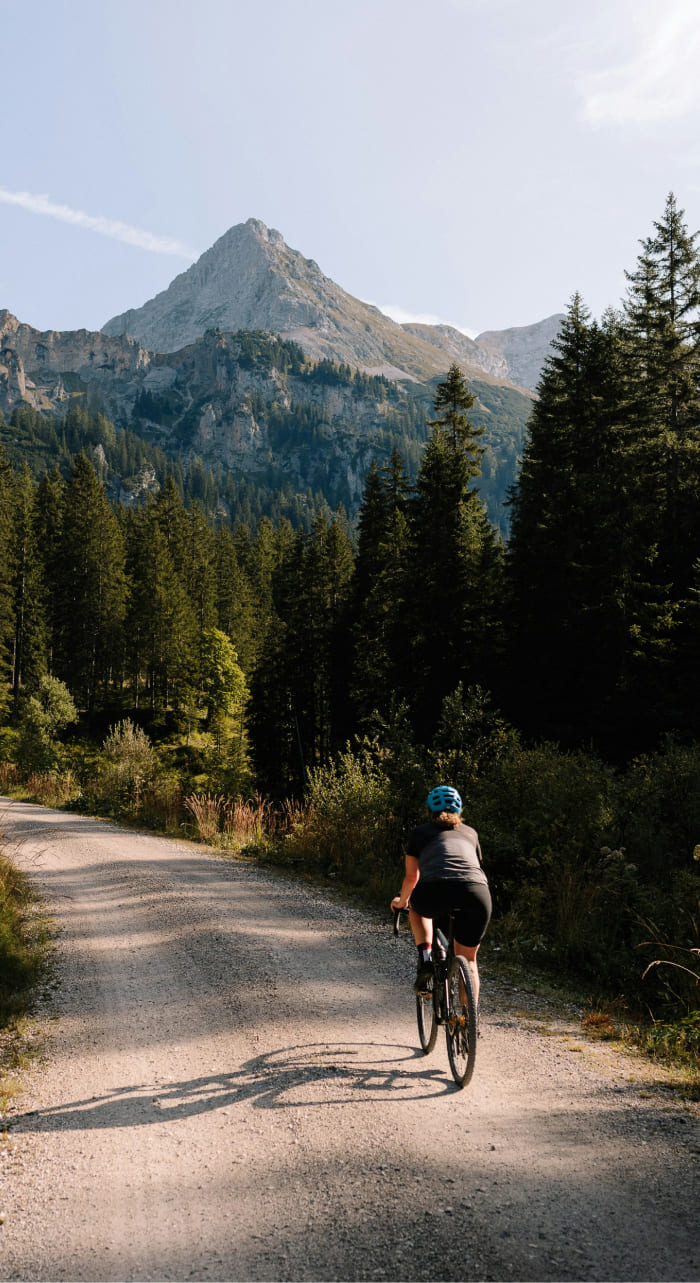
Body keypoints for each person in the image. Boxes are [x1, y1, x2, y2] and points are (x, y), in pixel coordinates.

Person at [391, 785, 491, 1007]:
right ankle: (468, 1023)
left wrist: (401, 902)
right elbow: (471, 869)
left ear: (429, 811)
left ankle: (427, 956)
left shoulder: (419, 833)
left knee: (416, 907)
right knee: (470, 961)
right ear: (460, 810)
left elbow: (411, 878)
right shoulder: (471, 833)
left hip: (435, 890)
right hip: (477, 893)